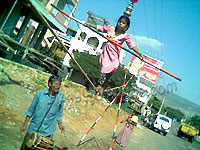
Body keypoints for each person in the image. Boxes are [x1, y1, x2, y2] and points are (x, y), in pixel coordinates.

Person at [86, 15, 144, 94]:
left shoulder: (125, 36)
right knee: (104, 69)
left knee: (113, 67)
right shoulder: (110, 29)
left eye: (123, 23)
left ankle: (102, 86)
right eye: (119, 21)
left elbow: (132, 46)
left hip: (114, 55)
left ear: (126, 26)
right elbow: (100, 28)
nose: (120, 24)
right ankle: (99, 85)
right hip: (107, 53)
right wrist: (89, 24)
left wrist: (140, 53)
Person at [20, 75, 65, 150]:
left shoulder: (60, 97)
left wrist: (60, 124)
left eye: (59, 84)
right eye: (56, 84)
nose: (58, 86)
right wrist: (24, 125)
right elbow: (31, 110)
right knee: (25, 147)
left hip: (47, 131)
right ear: (50, 84)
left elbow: (60, 112)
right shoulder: (39, 94)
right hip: (33, 128)